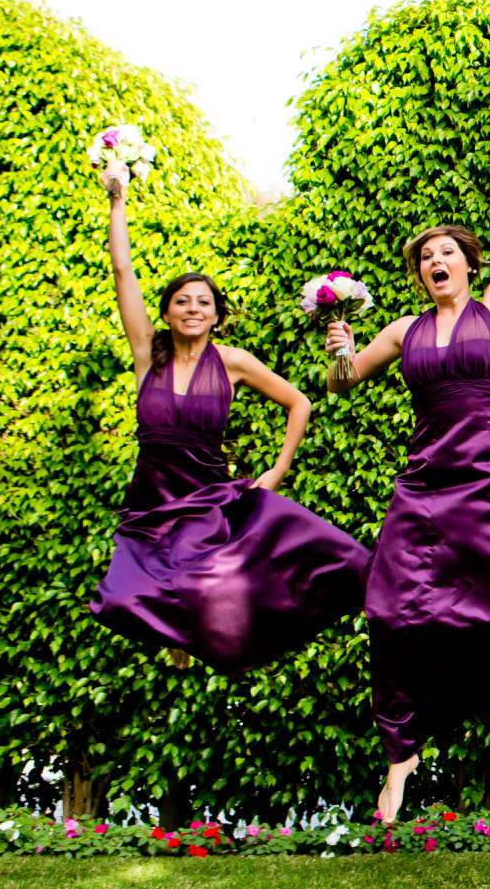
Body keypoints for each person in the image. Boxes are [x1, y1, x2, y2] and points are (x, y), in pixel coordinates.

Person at [324, 113, 490, 821]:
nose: (436, 262)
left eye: (447, 253)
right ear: (420, 275)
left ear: (468, 265)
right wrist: (337, 349)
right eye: (426, 257)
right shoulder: (400, 332)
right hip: (425, 486)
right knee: (391, 608)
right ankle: (402, 753)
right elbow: (342, 382)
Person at [89, 159, 367, 673]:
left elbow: (298, 402)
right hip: (152, 504)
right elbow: (123, 271)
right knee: (122, 599)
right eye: (181, 301)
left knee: (332, 562)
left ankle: (193, 632)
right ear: (167, 312)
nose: (192, 308)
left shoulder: (233, 362)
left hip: (208, 501)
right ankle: (174, 628)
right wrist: (118, 199)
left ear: (216, 315)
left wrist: (277, 471)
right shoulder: (148, 356)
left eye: (203, 302)